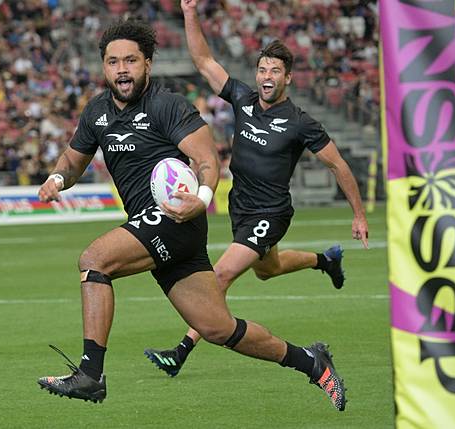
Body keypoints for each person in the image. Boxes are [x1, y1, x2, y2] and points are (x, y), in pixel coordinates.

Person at [36, 19, 346, 411]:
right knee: (217, 328)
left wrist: (201, 197)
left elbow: (206, 158)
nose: (122, 69)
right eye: (113, 62)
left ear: (147, 63)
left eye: (130, 60)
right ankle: (312, 362)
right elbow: (73, 160)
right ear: (104, 67)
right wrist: (57, 179)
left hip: (176, 218)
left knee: (94, 261)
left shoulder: (168, 105)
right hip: (159, 230)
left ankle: (90, 374)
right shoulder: (97, 111)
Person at [143, 0, 369, 390]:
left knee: (221, 274)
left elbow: (339, 166)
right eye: (262, 69)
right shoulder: (244, 100)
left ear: (288, 78)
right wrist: (190, 13)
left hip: (272, 212)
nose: (266, 76)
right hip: (242, 209)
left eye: (275, 71)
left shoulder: (301, 122)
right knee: (268, 271)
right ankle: (325, 260)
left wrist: (359, 215)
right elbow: (203, 61)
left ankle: (180, 350)